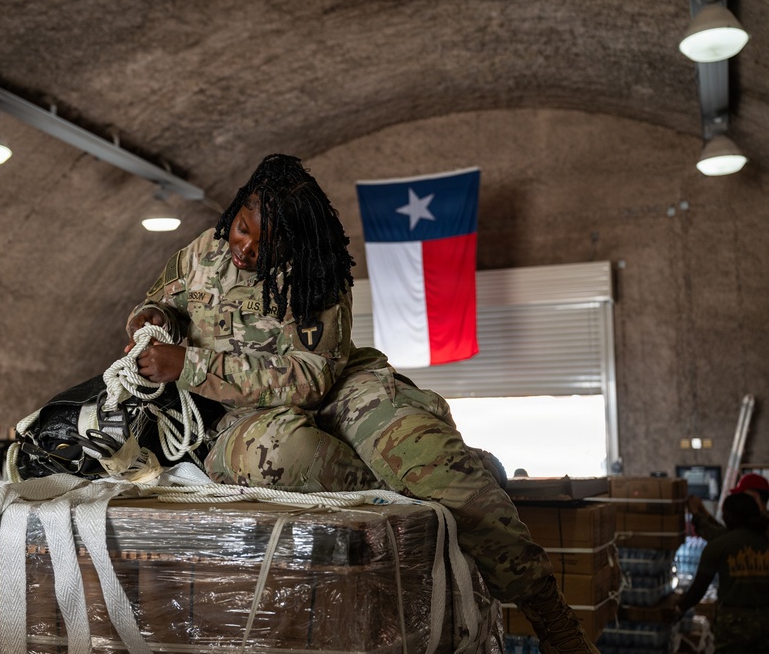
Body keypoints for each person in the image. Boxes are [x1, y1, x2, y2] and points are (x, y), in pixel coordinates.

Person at [125, 153, 599, 652]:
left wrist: (191, 366)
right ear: (235, 212)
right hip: (238, 412)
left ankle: (554, 620)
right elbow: (161, 303)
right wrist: (147, 318)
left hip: (337, 385)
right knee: (285, 458)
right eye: (242, 228)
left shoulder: (318, 270)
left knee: (437, 464)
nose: (244, 248)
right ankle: (415, 491)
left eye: (265, 243)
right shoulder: (203, 252)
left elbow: (310, 380)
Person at [676, 492, 769, 651]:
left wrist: (678, 610)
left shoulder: (718, 546)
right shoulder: (765, 540)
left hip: (732, 624)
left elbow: (699, 588)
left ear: (731, 517)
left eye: (725, 513)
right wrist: (700, 513)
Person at [686, 473, 769, 541]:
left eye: (741, 496)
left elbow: (722, 538)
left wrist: (696, 514)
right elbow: (727, 532)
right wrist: (703, 512)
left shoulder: (761, 525)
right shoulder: (755, 519)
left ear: (754, 497)